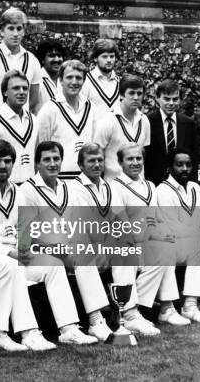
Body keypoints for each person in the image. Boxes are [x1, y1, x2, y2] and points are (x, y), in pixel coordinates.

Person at [0, 139, 77, 350]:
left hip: (17, 253)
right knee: (13, 268)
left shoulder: (16, 190)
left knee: (53, 264)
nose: (3, 166)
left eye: (8, 161)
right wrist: (10, 252)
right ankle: (28, 333)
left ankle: (68, 329)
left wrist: (23, 249)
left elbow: (25, 226)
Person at [18, 141, 111, 342]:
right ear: (37, 164)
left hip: (67, 249)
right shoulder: (27, 190)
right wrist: (58, 251)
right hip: (38, 253)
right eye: (47, 159)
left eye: (56, 159)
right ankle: (69, 330)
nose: (52, 164)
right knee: (63, 261)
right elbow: (26, 234)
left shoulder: (68, 188)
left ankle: (96, 322)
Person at [68, 143, 159, 337]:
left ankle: (130, 314)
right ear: (80, 165)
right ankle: (95, 321)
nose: (97, 164)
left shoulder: (108, 187)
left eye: (100, 160)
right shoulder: (75, 188)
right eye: (91, 161)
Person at [109, 143, 190, 328]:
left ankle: (166, 309)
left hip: (145, 244)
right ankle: (129, 313)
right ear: (120, 162)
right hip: (123, 244)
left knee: (166, 248)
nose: (135, 162)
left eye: (139, 158)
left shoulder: (150, 186)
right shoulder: (114, 186)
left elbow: (156, 219)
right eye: (130, 159)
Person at [155, 148, 200, 323]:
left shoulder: (195, 187)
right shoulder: (162, 190)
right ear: (169, 167)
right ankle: (190, 305)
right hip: (172, 245)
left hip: (194, 241)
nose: (185, 169)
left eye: (188, 165)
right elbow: (172, 226)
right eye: (179, 164)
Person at [0, 7, 42, 116]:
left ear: (24, 31)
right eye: (11, 28)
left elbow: (33, 100)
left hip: (23, 125)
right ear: (1, 31)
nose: (15, 34)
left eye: (19, 29)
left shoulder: (32, 60)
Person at [37, 60, 98, 181]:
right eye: (69, 77)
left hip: (85, 179)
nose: (74, 82)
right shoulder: (49, 109)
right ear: (61, 80)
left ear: (84, 81)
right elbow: (40, 149)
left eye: (79, 78)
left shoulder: (92, 108)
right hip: (58, 180)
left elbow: (94, 144)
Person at [0, 70, 38, 185]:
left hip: (31, 189)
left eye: (25, 88)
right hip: (3, 189)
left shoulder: (34, 120)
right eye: (16, 88)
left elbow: (36, 159)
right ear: (5, 92)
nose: (21, 92)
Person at [94, 73, 151, 180]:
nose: (136, 97)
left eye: (139, 93)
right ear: (121, 95)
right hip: (113, 185)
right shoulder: (107, 121)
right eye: (131, 93)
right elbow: (96, 156)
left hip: (139, 186)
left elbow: (144, 154)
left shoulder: (144, 120)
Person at [145, 79, 198, 185]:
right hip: (155, 183)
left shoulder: (188, 124)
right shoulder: (147, 122)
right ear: (157, 98)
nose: (171, 103)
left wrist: (192, 185)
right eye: (166, 99)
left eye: (175, 99)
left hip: (182, 183)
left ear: (180, 100)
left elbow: (194, 158)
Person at [80, 38, 120, 114]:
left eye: (112, 56)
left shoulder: (119, 82)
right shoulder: (86, 81)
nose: (109, 60)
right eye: (104, 57)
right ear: (95, 58)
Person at [36, 39, 64, 110]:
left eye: (59, 55)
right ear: (42, 59)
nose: (57, 59)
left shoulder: (66, 79)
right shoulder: (36, 80)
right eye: (52, 56)